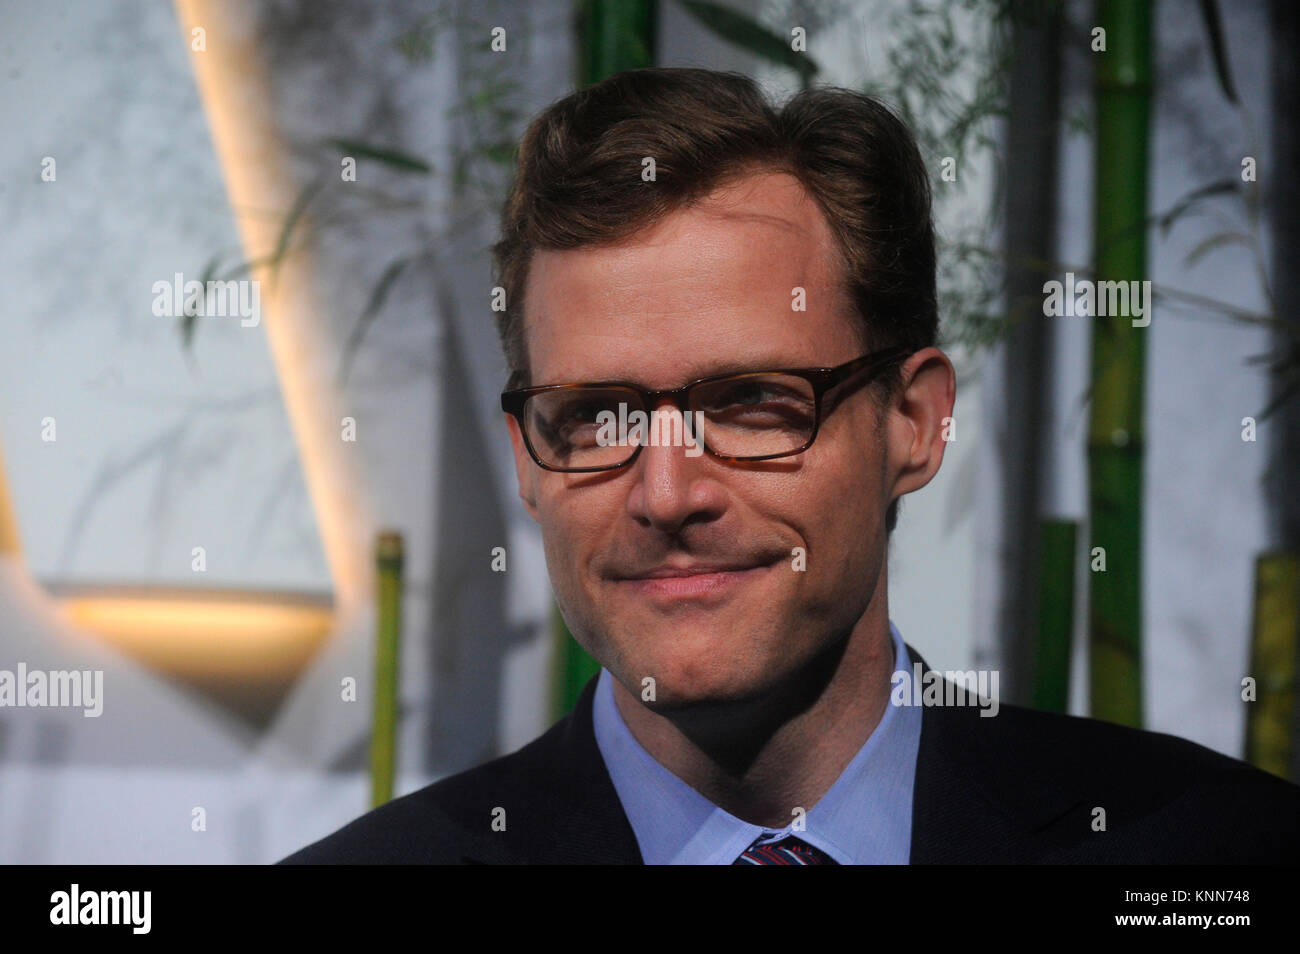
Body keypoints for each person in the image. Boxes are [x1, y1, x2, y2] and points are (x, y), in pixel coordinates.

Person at [283, 67, 1300, 865]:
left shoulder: (1213, 851)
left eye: (750, 403)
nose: (667, 494)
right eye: (595, 417)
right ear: (529, 462)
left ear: (912, 422)